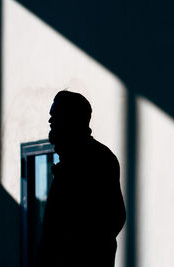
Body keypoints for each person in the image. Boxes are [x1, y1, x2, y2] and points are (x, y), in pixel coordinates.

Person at [37, 90, 126, 267]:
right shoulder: (71, 161)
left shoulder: (97, 159)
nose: (50, 121)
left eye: (55, 116)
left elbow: (114, 218)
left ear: (71, 119)